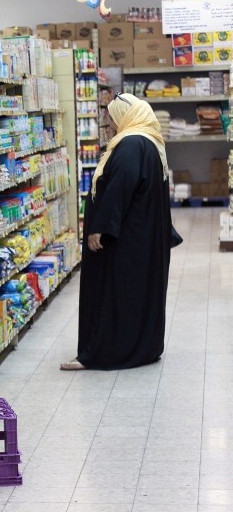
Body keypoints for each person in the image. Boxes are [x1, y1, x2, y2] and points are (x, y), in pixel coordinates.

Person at [60, 93, 177, 371]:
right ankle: (143, 347)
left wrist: (100, 228)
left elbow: (119, 189)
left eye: (112, 118)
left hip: (125, 240)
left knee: (115, 293)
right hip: (142, 238)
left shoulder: (131, 144)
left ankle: (106, 352)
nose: (111, 124)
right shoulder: (150, 142)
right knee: (139, 294)